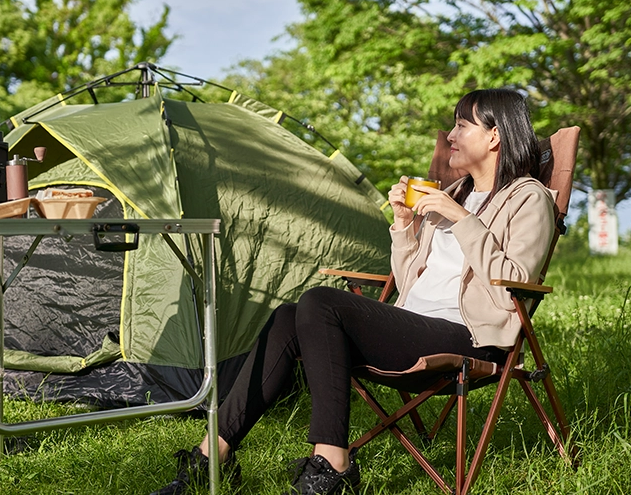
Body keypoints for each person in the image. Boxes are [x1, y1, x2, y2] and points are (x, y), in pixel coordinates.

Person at [148, 88, 556, 495]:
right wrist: (403, 226)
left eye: (461, 126)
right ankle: (210, 459)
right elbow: (409, 280)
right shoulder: (453, 194)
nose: (450, 135)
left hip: (467, 336)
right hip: (414, 325)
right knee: (288, 317)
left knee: (321, 302)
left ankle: (332, 466)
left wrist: (463, 221)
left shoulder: (528, 198)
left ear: (494, 136)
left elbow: (512, 285)